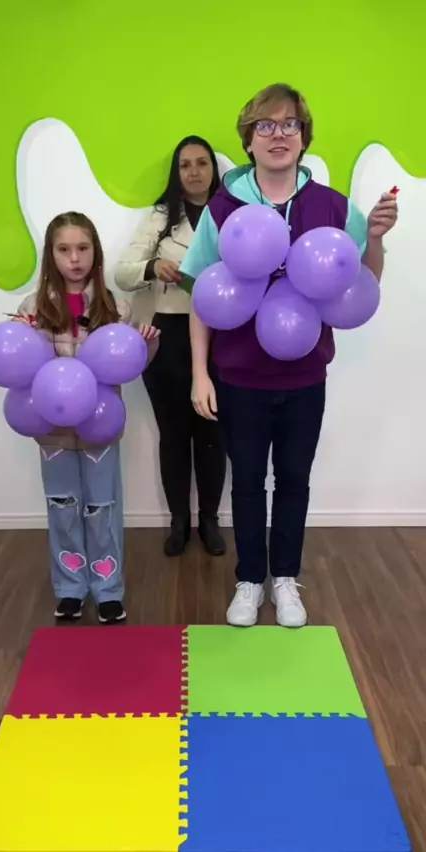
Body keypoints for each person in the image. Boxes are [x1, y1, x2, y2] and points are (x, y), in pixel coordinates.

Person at [180, 84, 398, 628]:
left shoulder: (333, 206)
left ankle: (284, 579)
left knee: (294, 480)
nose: (278, 135)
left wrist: (373, 237)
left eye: (289, 124)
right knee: (247, 482)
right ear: (248, 139)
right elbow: (203, 294)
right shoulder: (224, 207)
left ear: (304, 137)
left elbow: (362, 283)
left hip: (304, 375)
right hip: (240, 376)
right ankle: (250, 580)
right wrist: (200, 373)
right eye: (266, 125)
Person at [15, 212, 159, 623]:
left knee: (103, 508)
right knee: (62, 508)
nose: (74, 258)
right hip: (52, 431)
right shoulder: (32, 308)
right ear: (51, 255)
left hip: (100, 429)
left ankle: (108, 589)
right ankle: (70, 589)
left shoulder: (116, 307)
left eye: (82, 248)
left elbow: (128, 366)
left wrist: (147, 345)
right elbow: (22, 366)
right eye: (64, 249)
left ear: (95, 252)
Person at [115, 136, 227, 558]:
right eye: (185, 165)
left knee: (214, 433)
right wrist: (153, 266)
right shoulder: (161, 217)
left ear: (214, 169)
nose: (194, 172)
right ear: (176, 174)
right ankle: (179, 521)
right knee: (174, 435)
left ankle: (210, 521)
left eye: (202, 163)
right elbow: (122, 272)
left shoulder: (232, 211)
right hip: (167, 337)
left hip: (221, 338)